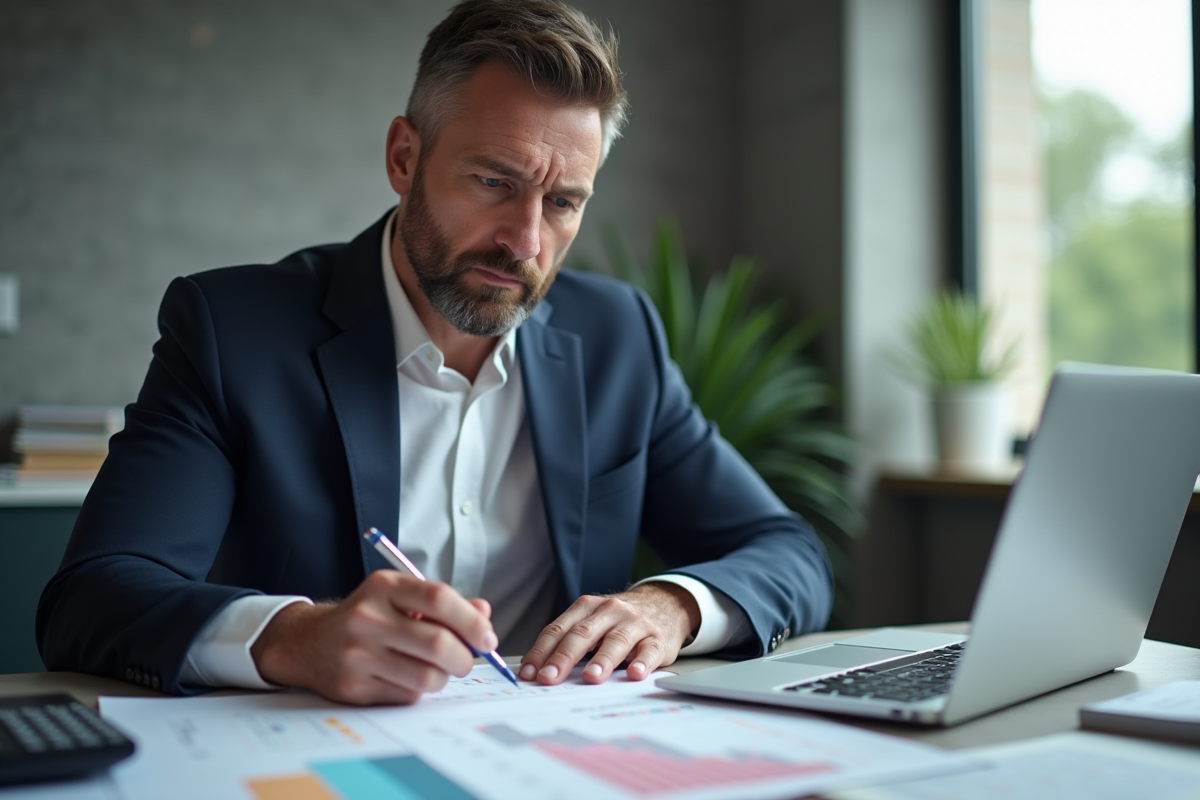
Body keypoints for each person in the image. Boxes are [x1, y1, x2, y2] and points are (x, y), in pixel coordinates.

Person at [36, 0, 832, 705]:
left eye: (562, 203)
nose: (526, 241)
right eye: (493, 181)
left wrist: (673, 606)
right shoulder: (232, 330)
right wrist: (294, 638)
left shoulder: (618, 337)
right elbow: (93, 599)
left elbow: (788, 552)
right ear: (404, 158)